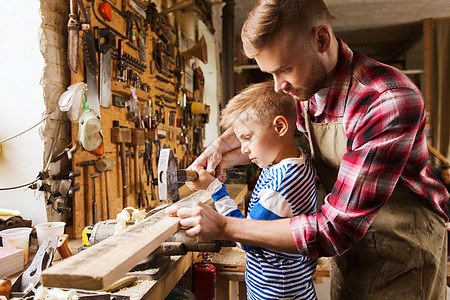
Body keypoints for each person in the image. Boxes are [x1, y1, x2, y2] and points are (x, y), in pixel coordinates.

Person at [167, 0, 450, 298]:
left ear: (321, 40)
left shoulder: (384, 101)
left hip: (402, 255)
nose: (278, 87)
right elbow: (272, 125)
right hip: (354, 254)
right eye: (271, 74)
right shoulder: (308, 89)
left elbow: (334, 229)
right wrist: (222, 146)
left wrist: (226, 227)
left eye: (284, 69)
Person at [189, 81, 318, 299]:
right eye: (240, 141)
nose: (245, 148)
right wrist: (227, 159)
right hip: (291, 284)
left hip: (277, 292)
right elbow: (267, 148)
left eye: (248, 138)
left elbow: (245, 238)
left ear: (280, 127)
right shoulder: (295, 158)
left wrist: (214, 188)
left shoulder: (280, 188)